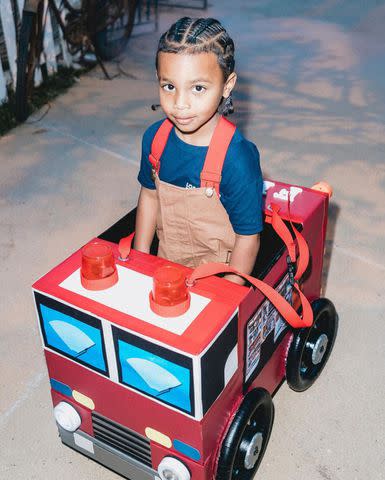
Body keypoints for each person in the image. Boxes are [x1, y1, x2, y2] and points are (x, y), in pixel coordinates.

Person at [135, 17, 263, 285]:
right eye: (169, 86)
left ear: (226, 86)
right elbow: (149, 196)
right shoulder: (154, 140)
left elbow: (248, 238)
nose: (180, 104)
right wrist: (141, 257)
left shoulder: (237, 159)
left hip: (219, 277)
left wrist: (225, 298)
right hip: (167, 265)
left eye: (198, 88)